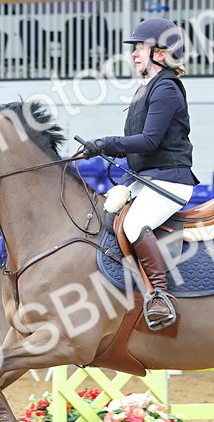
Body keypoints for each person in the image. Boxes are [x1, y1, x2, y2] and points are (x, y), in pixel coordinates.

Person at [81, 18, 198, 331]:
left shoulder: (167, 89)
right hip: (146, 177)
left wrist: (106, 144)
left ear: (160, 54)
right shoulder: (146, 89)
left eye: (140, 48)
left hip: (170, 180)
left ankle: (160, 295)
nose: (133, 54)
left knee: (133, 224)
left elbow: (149, 141)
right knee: (103, 214)